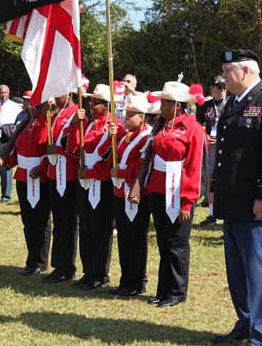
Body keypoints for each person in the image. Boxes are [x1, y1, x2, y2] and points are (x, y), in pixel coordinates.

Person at [211, 49, 262, 346]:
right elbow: (225, 154)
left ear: (245, 71)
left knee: (259, 276)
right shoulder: (232, 102)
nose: (223, 77)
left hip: (257, 206)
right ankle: (244, 323)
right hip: (233, 203)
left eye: (227, 70)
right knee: (237, 273)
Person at [140, 81, 203, 308]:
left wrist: (188, 201)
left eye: (165, 102)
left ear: (177, 105)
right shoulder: (160, 125)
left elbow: (194, 166)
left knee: (177, 242)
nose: (161, 105)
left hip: (178, 191)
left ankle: (176, 291)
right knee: (163, 240)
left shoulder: (192, 127)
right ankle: (163, 289)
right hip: (158, 190)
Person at [72, 83, 125, 290]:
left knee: (100, 228)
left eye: (96, 103)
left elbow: (112, 156)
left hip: (101, 182)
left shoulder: (114, 126)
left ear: (107, 105)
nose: (91, 106)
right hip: (85, 180)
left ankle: (99, 273)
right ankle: (88, 271)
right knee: (85, 226)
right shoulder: (91, 125)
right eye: (90, 102)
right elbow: (78, 148)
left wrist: (116, 135)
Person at [108, 94, 155, 297]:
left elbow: (142, 166)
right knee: (125, 237)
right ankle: (126, 279)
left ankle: (137, 280)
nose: (126, 118)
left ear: (142, 117)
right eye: (126, 114)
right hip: (120, 191)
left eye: (131, 115)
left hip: (135, 192)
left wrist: (123, 172)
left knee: (136, 237)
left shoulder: (146, 137)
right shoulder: (127, 136)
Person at [6, 101, 51, 276]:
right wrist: (8, 162)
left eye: (37, 106)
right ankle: (31, 259)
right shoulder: (26, 123)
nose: (32, 108)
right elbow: (19, 148)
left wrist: (40, 169)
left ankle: (40, 260)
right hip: (23, 176)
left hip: (38, 178)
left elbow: (45, 147)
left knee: (40, 221)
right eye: (31, 106)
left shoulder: (45, 124)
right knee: (28, 221)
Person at [43, 92, 80, 283]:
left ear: (70, 94)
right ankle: (58, 264)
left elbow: (76, 147)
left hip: (69, 175)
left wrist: (57, 150)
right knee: (58, 222)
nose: (55, 98)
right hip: (54, 173)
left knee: (68, 223)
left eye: (59, 94)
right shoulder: (58, 113)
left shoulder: (76, 112)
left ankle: (67, 266)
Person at [196, 75, 228, 220]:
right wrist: (205, 135)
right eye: (219, 87)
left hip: (226, 146)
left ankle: (226, 211)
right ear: (212, 88)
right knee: (210, 177)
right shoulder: (206, 106)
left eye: (224, 87)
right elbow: (197, 124)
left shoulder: (232, 103)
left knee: (226, 177)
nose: (222, 90)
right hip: (210, 146)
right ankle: (211, 213)